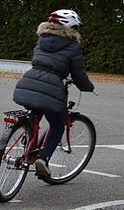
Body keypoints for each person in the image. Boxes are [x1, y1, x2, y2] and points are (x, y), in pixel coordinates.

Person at [12, 9, 95, 180]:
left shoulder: (41, 39)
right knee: (57, 125)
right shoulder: (72, 47)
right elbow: (78, 74)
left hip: (29, 81)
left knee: (36, 111)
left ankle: (27, 139)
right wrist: (88, 87)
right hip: (52, 86)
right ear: (71, 27)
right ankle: (43, 158)